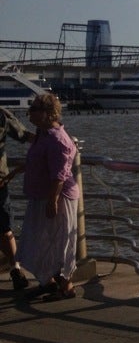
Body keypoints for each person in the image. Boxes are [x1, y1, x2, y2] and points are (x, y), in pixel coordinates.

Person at [19, 94, 79, 299]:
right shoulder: (43, 135)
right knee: (38, 241)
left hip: (56, 197)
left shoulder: (56, 139)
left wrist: (53, 200)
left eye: (34, 109)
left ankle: (66, 287)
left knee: (58, 243)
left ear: (47, 112)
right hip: (40, 195)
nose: (30, 114)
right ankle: (49, 281)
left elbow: (59, 174)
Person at [0, 106, 33, 290]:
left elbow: (24, 135)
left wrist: (53, 141)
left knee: (5, 228)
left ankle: (15, 268)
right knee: (5, 227)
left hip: (0, 181)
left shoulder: (2, 115)